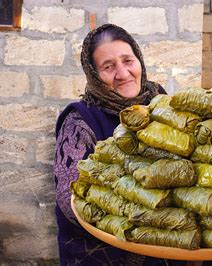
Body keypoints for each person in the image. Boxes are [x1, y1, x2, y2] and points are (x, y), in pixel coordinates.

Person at [53, 24, 167, 265]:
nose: (123, 73)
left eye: (128, 60)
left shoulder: (161, 104)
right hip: (102, 254)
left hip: (165, 252)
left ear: (139, 60)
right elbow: (69, 198)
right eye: (108, 66)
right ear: (94, 75)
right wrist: (138, 225)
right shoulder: (80, 121)